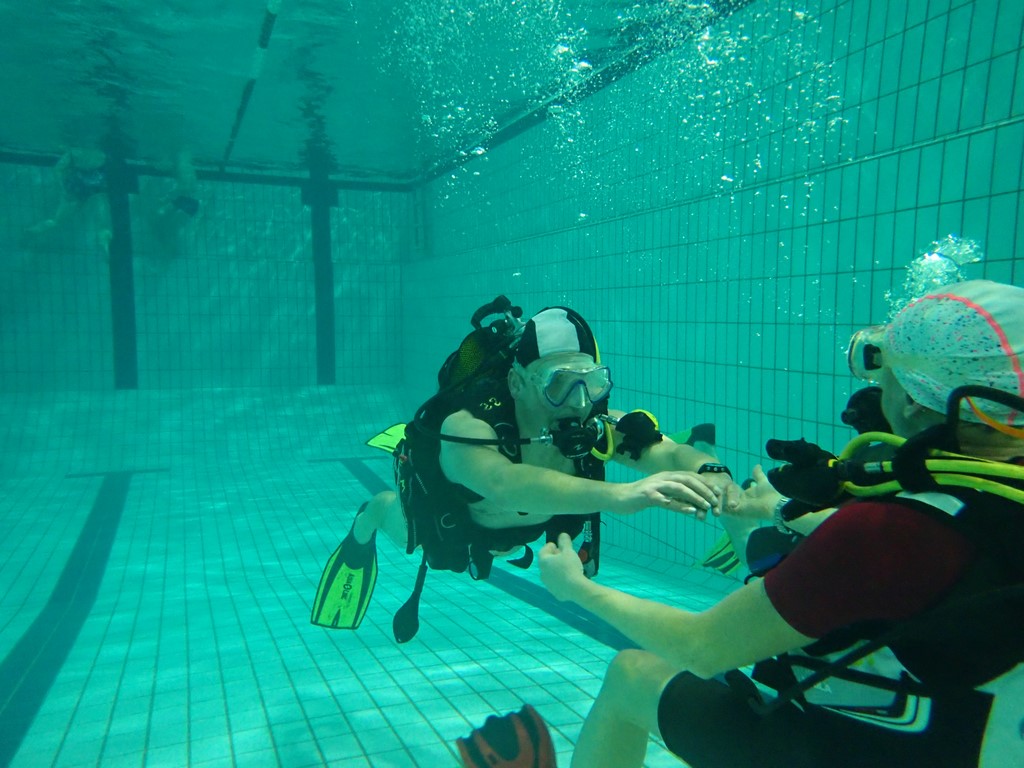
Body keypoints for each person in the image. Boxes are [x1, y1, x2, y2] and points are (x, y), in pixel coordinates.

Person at [498, 279, 1023, 768]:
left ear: (912, 399)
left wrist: (575, 588)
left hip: (873, 748)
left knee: (631, 675)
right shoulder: (991, 497)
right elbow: (923, 559)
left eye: (879, 369)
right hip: (972, 731)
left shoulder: (884, 534)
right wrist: (779, 509)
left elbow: (701, 648)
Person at [310, 302, 741, 641]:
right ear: (517, 384)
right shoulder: (467, 428)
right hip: (455, 526)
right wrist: (621, 496)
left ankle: (504, 547)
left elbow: (667, 454)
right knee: (417, 537)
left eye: (590, 383)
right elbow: (503, 483)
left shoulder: (592, 426)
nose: (578, 402)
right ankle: (366, 519)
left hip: (524, 529)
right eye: (558, 384)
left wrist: (713, 472)